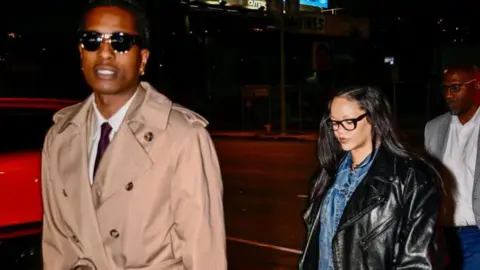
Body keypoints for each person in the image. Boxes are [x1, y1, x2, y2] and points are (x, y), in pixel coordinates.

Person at [40, 0, 227, 269]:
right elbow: (56, 247)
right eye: (92, 40)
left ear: (143, 59)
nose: (105, 53)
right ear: (81, 52)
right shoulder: (60, 137)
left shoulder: (182, 137)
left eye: (121, 42)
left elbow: (204, 253)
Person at [299, 86, 443, 270]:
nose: (338, 131)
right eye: (333, 122)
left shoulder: (411, 178)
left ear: (373, 119)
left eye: (348, 121)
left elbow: (418, 260)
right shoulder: (328, 174)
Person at [424, 64, 480, 269]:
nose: (448, 94)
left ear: (477, 85)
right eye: (445, 88)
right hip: (442, 235)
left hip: (477, 234)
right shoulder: (433, 128)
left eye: (456, 87)